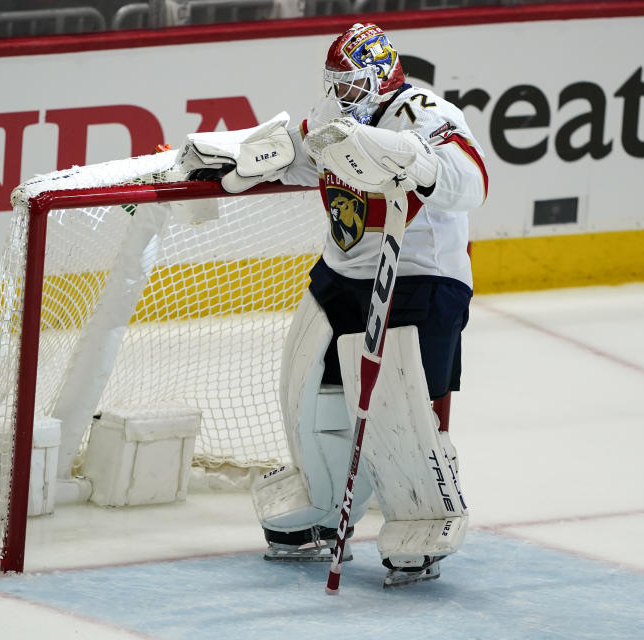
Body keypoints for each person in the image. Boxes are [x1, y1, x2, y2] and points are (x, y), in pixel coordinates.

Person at [179, 22, 488, 588]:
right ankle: (323, 506)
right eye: (335, 84)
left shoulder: (422, 112)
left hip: (419, 281)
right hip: (343, 274)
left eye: (351, 84)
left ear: (379, 76)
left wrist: (411, 163)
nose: (341, 95)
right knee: (308, 394)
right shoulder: (333, 115)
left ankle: (422, 512)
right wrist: (239, 158)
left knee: (407, 409)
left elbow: (471, 182)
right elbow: (304, 158)